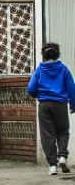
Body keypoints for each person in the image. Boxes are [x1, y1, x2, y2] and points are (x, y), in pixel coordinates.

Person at [28, 42, 75, 176]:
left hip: (44, 105)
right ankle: (62, 157)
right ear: (57, 54)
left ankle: (52, 166)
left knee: (47, 135)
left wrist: (40, 95)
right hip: (60, 104)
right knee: (63, 131)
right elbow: (72, 88)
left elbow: (31, 89)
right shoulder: (64, 70)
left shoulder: (39, 71)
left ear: (44, 55)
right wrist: (73, 104)